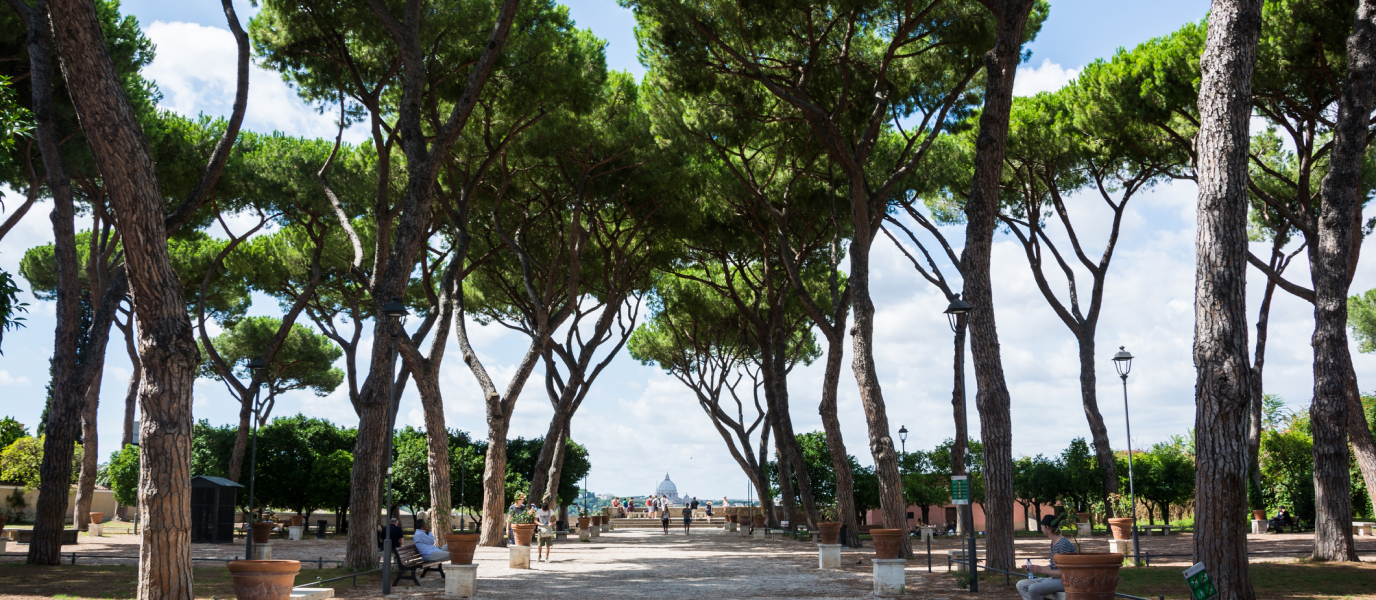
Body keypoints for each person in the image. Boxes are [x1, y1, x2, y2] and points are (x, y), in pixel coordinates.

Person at [1017, 514, 1077, 600]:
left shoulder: (1063, 544)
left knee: (1033, 588)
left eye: (1042, 526)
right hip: (1054, 579)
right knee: (1021, 585)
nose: (1041, 528)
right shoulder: (1054, 543)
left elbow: (1066, 573)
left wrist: (1041, 570)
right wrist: (1035, 568)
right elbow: (1053, 566)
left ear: (1047, 527)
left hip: (1065, 581)